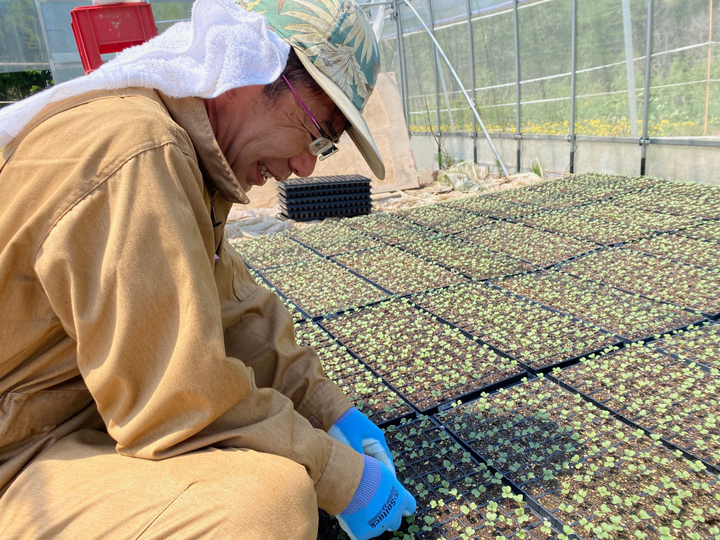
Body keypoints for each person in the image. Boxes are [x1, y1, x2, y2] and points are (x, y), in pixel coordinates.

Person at [0, 0, 416, 538]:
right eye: (315, 131)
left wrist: (327, 408)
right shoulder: (137, 153)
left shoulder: (185, 156)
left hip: (71, 419)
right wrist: (343, 477)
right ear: (251, 70)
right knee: (262, 508)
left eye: (325, 147)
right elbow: (178, 402)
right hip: (18, 454)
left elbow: (234, 311)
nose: (306, 166)